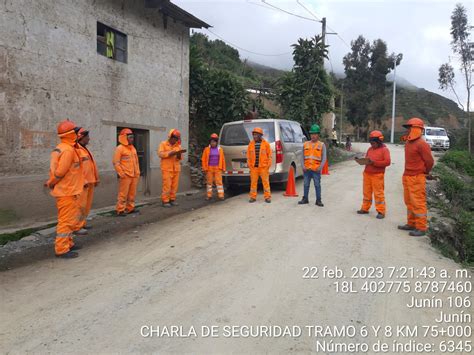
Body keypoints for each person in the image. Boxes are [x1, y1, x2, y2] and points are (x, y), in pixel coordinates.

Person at [45, 120, 84, 259]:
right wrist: (51, 182)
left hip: (68, 190)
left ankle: (68, 243)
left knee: (70, 220)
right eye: (75, 131)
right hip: (67, 191)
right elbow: (60, 172)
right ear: (70, 134)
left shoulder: (62, 147)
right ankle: (61, 248)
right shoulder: (67, 150)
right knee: (66, 221)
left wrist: (52, 182)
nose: (78, 133)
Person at [398, 117, 434, 237]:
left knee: (418, 202)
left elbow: (429, 161)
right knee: (409, 202)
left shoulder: (422, 144)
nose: (407, 130)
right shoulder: (408, 142)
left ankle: (421, 227)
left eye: (409, 128)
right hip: (407, 176)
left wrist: (425, 172)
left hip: (417, 177)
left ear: (416, 129)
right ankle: (411, 223)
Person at [357, 130, 391, 219]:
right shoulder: (370, 149)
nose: (372, 145)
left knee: (378, 193)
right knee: (366, 192)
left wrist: (374, 163)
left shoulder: (384, 150)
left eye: (373, 143)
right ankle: (365, 208)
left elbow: (387, 162)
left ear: (379, 142)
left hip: (377, 175)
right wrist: (363, 160)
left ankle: (381, 211)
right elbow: (367, 159)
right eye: (371, 143)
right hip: (367, 174)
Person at [113, 128, 140, 216]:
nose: (132, 139)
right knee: (123, 194)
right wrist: (121, 174)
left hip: (134, 175)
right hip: (126, 175)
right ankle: (120, 210)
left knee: (132, 194)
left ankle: (130, 208)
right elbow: (116, 162)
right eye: (131, 137)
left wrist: (137, 172)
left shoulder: (133, 148)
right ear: (125, 138)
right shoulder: (120, 148)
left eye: (133, 137)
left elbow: (136, 162)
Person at [76, 128, 99, 229]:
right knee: (80, 206)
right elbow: (76, 169)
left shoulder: (84, 150)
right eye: (87, 137)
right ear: (81, 137)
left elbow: (91, 166)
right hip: (82, 184)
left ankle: (82, 224)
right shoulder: (76, 150)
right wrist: (83, 180)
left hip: (90, 182)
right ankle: (77, 226)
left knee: (86, 206)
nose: (89, 139)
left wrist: (96, 179)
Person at [298, 124, 327, 206]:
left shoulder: (321, 145)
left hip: (316, 170)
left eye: (315, 134)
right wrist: (303, 166)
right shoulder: (305, 144)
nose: (313, 136)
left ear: (318, 135)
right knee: (305, 184)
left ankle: (318, 200)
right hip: (307, 169)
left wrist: (320, 167)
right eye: (311, 134)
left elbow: (324, 158)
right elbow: (302, 157)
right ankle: (305, 199)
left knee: (317, 185)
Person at [158, 129, 185, 207]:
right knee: (167, 185)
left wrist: (179, 154)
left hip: (176, 168)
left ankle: (172, 199)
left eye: (177, 139)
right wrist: (170, 153)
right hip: (166, 168)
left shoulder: (178, 146)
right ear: (170, 137)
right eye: (175, 138)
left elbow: (180, 158)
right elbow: (160, 154)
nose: (175, 140)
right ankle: (165, 201)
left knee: (174, 186)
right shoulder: (163, 144)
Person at [247, 127, 272, 203]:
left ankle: (267, 197)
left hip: (263, 167)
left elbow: (270, 155)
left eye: (256, 135)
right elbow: (248, 156)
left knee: (266, 182)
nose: (254, 136)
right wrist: (250, 166)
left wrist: (268, 166)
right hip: (254, 168)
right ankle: (252, 197)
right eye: (254, 135)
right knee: (253, 183)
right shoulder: (250, 144)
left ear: (260, 135)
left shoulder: (266, 144)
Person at [201, 133, 226, 201]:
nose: (213, 143)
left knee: (219, 182)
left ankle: (221, 196)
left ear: (216, 142)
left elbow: (223, 159)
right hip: (209, 168)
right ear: (210, 142)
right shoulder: (206, 149)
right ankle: (209, 196)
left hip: (218, 168)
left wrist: (223, 168)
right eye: (212, 142)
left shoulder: (220, 149)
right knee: (209, 182)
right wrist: (204, 168)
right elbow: (203, 159)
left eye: (214, 142)